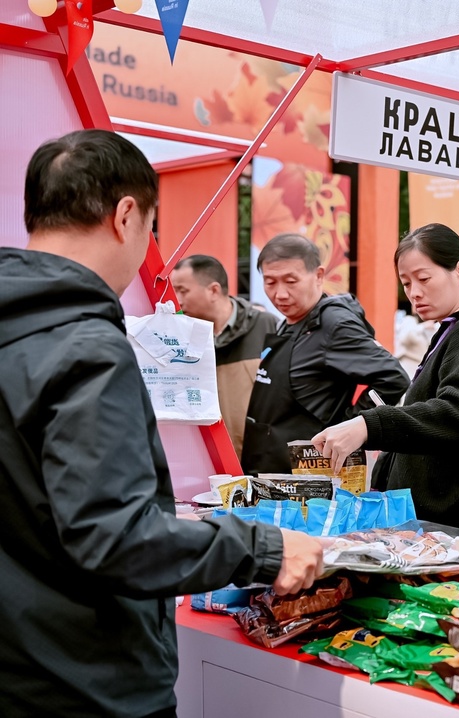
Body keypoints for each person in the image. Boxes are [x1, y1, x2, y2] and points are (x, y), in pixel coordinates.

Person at [0, 129, 323, 717]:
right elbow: (113, 536)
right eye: (151, 227)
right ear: (127, 216)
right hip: (88, 684)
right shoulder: (87, 344)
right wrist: (266, 548)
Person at [312, 224, 459, 538]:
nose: (414, 292)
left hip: (446, 534)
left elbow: (458, 415)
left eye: (424, 278)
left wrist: (368, 425)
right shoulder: (455, 331)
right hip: (430, 529)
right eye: (406, 283)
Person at [241, 234, 409, 474]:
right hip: (270, 467)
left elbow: (394, 378)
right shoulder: (288, 322)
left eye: (290, 281)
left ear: (319, 275)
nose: (279, 294)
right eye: (270, 282)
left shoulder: (334, 324)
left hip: (308, 478)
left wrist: (351, 425)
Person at [171, 254, 278, 456]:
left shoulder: (266, 327)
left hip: (261, 463)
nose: (177, 300)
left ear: (213, 290)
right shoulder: (181, 337)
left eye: (182, 291)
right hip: (207, 462)